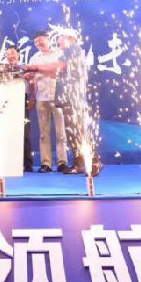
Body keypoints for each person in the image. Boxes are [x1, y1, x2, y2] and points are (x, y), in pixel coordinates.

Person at [55, 30, 102, 176]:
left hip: (73, 98)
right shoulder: (69, 52)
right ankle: (79, 163)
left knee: (79, 131)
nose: (58, 41)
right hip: (68, 98)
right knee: (73, 132)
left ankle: (94, 162)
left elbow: (58, 68)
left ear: (70, 39)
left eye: (60, 38)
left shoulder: (73, 50)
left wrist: (35, 68)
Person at [27, 30, 68, 173]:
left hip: (58, 98)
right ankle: (46, 163)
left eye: (41, 40)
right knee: (44, 133)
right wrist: (32, 96)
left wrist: (38, 70)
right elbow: (32, 80)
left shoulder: (59, 54)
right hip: (41, 98)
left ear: (47, 39)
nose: (39, 44)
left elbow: (57, 70)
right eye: (36, 42)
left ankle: (62, 162)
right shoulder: (34, 58)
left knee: (61, 132)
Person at [5, 45, 35, 174]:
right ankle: (12, 162)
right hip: (7, 101)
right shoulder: (4, 69)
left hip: (23, 99)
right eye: (8, 54)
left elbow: (32, 82)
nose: (11, 56)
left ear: (18, 54)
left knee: (24, 132)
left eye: (13, 53)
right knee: (9, 132)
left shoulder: (25, 68)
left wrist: (32, 98)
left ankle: (27, 163)